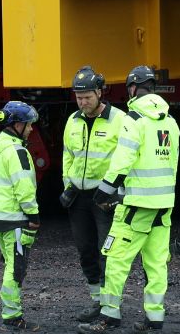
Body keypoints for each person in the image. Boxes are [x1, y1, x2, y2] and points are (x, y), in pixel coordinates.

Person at [82, 66, 179, 333]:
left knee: (114, 258)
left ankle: (109, 315)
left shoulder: (134, 119)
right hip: (163, 205)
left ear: (134, 88)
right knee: (157, 264)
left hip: (136, 204)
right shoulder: (170, 122)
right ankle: (155, 319)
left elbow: (123, 158)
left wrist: (104, 190)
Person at [60, 66, 130, 325]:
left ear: (100, 93)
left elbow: (127, 159)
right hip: (78, 198)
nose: (83, 102)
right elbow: (68, 155)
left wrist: (116, 193)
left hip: (106, 199)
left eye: (87, 96)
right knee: (85, 251)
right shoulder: (73, 120)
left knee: (108, 253)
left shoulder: (120, 120)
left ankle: (111, 306)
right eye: (78, 97)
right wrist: (67, 185)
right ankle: (97, 301)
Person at [0, 100, 43, 332]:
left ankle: (11, 315)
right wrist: (34, 215)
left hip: (0, 217)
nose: (31, 129)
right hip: (16, 219)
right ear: (17, 125)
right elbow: (24, 188)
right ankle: (12, 318)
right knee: (15, 268)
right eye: (28, 124)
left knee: (10, 264)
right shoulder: (17, 152)